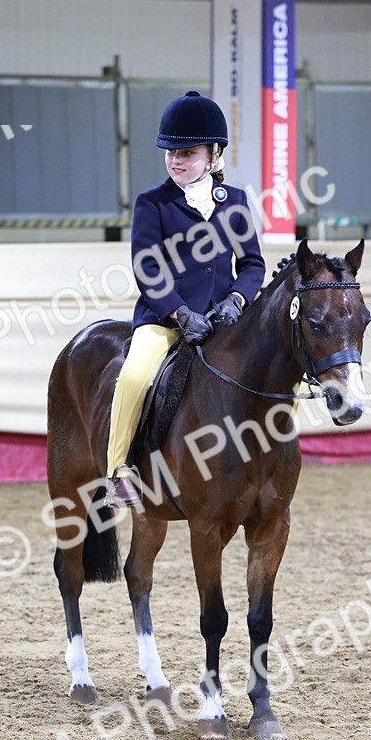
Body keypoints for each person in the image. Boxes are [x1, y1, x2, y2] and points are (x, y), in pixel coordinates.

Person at [106, 89, 266, 506]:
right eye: (170, 152)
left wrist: (237, 300)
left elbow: (252, 265)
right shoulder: (152, 203)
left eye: (187, 152)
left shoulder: (234, 202)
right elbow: (147, 267)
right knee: (135, 375)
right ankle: (119, 468)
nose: (176, 160)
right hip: (164, 321)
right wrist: (178, 312)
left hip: (222, 323)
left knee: (270, 371)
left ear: (214, 155)